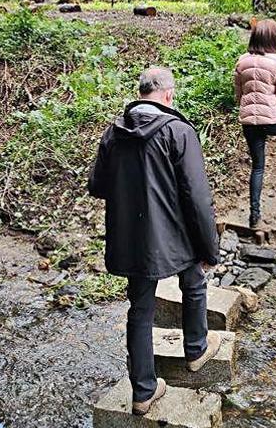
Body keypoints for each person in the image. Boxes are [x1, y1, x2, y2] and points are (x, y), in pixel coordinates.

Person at [88, 67, 222, 415]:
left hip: (133, 237)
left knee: (141, 309)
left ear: (140, 93)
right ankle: (196, 349)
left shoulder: (113, 134)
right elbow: (197, 197)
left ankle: (144, 392)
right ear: (168, 95)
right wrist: (210, 248)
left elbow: (97, 186)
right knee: (193, 282)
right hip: (177, 233)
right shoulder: (178, 130)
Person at [234, 19, 276, 229]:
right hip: (272, 120)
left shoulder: (242, 61)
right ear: (273, 38)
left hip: (249, 121)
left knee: (257, 167)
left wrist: (245, 106)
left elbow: (238, 93)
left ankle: (254, 215)